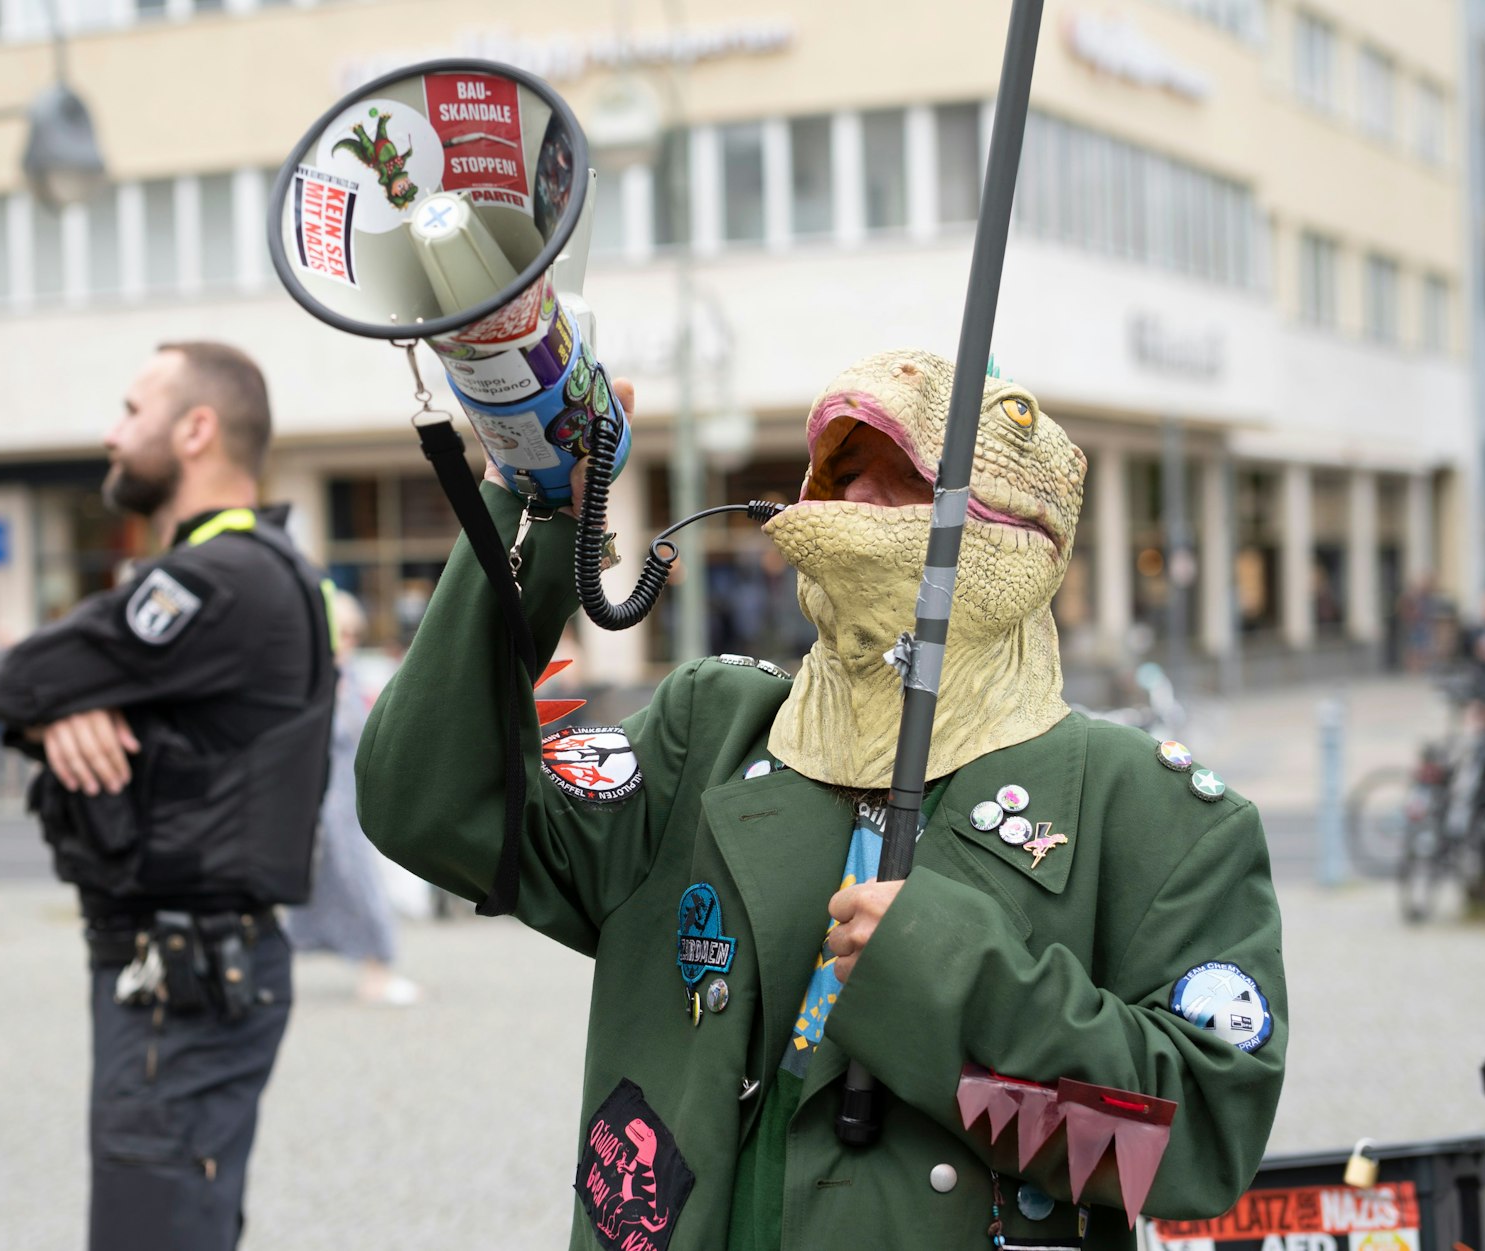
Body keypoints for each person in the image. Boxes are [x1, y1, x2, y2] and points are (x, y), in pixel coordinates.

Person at [358, 351, 1286, 1249]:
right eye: (844, 475)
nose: (860, 500)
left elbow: (1195, 1141)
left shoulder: (1151, 811)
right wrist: (535, 505)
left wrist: (954, 979)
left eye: (906, 481)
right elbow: (433, 801)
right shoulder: (707, 735)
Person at [0, 342, 335, 1251]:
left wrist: (41, 704)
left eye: (131, 411)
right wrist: (55, 717)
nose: (110, 433)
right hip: (189, 967)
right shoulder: (250, 568)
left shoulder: (216, 581)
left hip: (183, 974)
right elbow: (19, 685)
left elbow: (4, 675)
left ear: (195, 428)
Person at [282, 591, 419, 1006]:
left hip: (346, 795)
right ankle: (373, 969)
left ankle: (375, 968)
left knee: (351, 879)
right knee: (330, 883)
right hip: (321, 798)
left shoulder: (348, 674)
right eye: (341, 632)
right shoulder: (310, 676)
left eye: (353, 633)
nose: (349, 640)